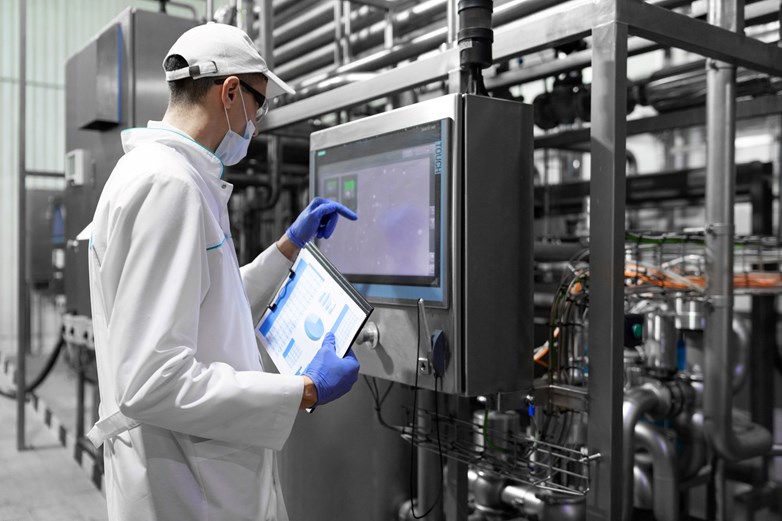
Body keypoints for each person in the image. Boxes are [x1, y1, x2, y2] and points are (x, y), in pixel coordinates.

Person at [85, 22, 360, 521]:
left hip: (189, 474)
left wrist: (287, 247)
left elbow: (212, 302)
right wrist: (304, 390)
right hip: (192, 490)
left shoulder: (165, 175)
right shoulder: (170, 186)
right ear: (230, 92)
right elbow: (152, 380)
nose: (256, 120)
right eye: (259, 104)